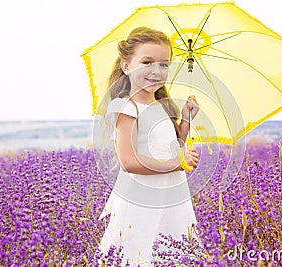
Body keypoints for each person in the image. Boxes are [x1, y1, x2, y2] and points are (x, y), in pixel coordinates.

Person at [96, 26, 201, 266]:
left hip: (170, 193)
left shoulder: (162, 105)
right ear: (126, 66)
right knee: (139, 253)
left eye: (164, 64)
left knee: (173, 250)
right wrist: (177, 163)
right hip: (142, 198)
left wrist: (185, 119)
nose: (156, 70)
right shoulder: (126, 107)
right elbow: (129, 162)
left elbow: (173, 147)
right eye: (147, 62)